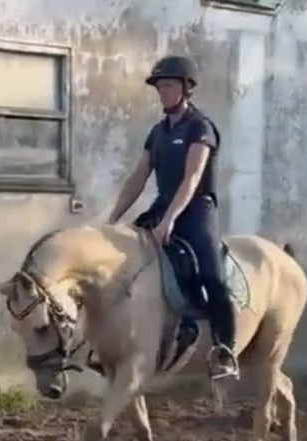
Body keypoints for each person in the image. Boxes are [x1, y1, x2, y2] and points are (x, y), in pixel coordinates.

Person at [107, 55, 239, 381]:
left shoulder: (200, 128)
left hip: (196, 210)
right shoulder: (158, 132)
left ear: (185, 88)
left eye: (168, 85)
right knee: (125, 262)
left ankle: (225, 350)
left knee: (213, 278)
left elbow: (191, 179)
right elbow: (137, 178)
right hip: (163, 204)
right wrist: (111, 220)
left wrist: (169, 222)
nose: (162, 92)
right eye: (159, 86)